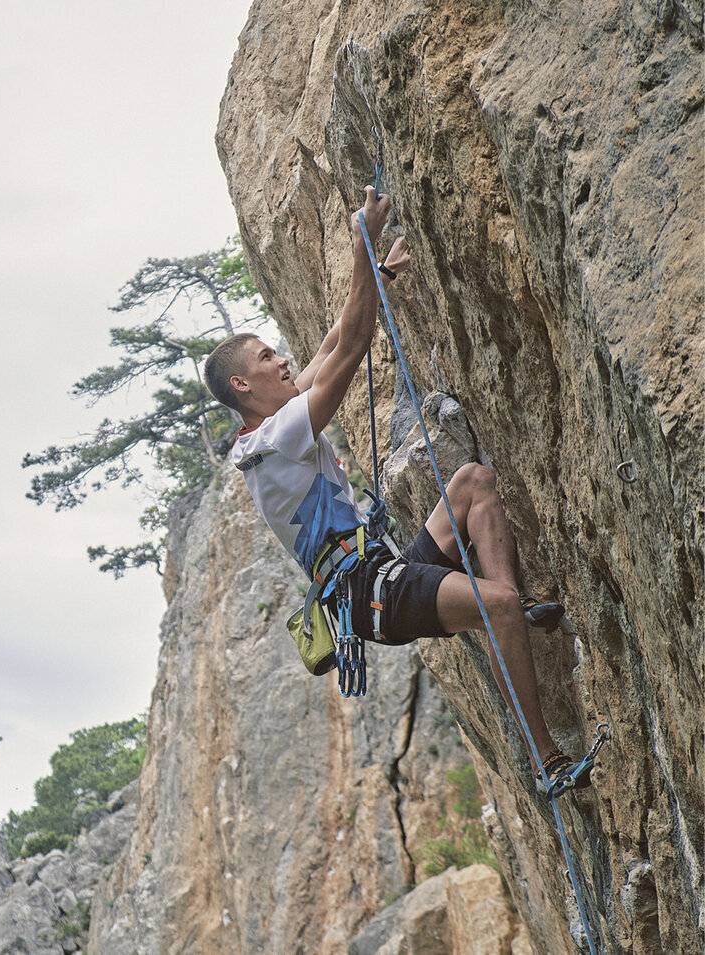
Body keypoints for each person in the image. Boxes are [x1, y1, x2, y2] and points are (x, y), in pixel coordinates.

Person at [204, 187, 589, 792]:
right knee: (498, 608)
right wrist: (362, 245)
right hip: (368, 595)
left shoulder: (270, 423)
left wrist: (375, 272)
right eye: (266, 357)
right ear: (242, 384)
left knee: (473, 484)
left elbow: (332, 342)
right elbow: (352, 351)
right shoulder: (275, 438)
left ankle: (509, 610)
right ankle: (546, 762)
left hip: (380, 572)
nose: (282, 361)